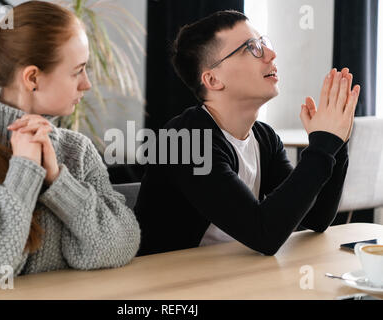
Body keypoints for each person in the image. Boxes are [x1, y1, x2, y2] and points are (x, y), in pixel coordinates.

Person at [0, 1, 140, 290]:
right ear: (32, 78)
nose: (87, 84)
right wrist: (24, 173)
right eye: (77, 70)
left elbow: (118, 246)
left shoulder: (76, 150)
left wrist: (60, 183)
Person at [135, 10, 360, 256]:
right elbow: (264, 234)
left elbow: (316, 218)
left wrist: (337, 140)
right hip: (169, 285)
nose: (271, 54)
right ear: (213, 80)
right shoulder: (184, 142)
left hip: (230, 276)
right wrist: (321, 147)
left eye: (265, 43)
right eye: (252, 48)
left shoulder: (264, 138)